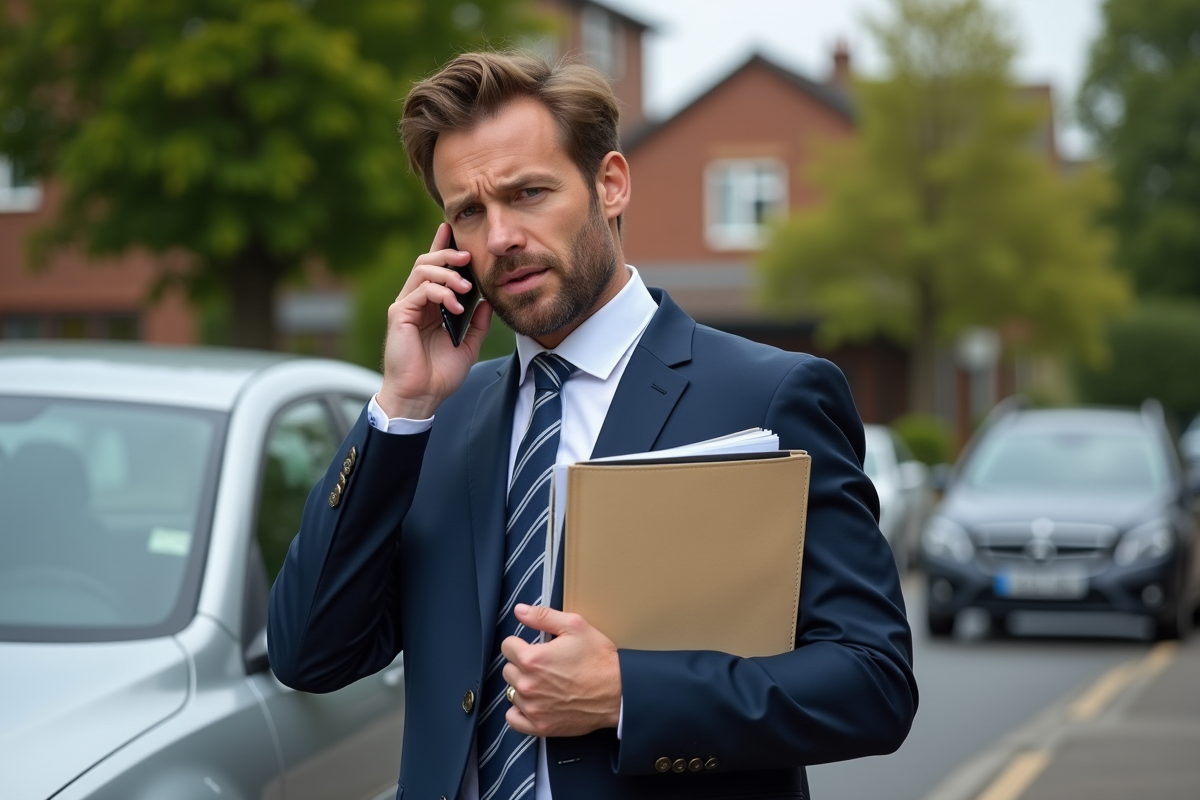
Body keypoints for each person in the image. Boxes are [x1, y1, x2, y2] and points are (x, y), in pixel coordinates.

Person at [268, 51, 917, 800]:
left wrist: (629, 693)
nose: (500, 236)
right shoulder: (438, 418)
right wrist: (400, 409)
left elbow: (873, 682)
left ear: (609, 184)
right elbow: (309, 655)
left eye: (529, 193)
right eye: (469, 212)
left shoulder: (768, 397)